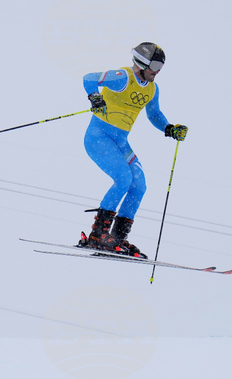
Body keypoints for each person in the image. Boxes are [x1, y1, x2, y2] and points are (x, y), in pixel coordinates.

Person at [78, 42, 188, 259]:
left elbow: (154, 114)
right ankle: (98, 235)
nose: (157, 71)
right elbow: (89, 78)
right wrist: (94, 96)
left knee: (139, 185)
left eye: (161, 66)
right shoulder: (122, 77)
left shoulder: (152, 89)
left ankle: (117, 238)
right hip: (99, 138)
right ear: (142, 62)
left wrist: (169, 128)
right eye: (155, 65)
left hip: (120, 142)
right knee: (123, 178)